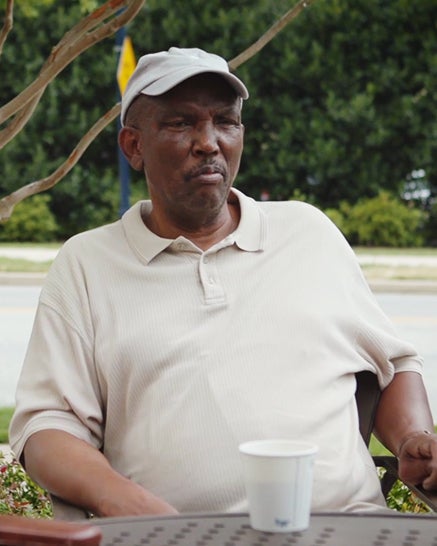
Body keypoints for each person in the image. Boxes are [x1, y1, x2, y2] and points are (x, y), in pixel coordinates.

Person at [9, 47, 437, 520]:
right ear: (133, 146)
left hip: (347, 526)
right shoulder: (88, 264)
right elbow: (47, 425)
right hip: (175, 536)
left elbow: (392, 364)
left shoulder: (307, 233)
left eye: (225, 121)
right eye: (180, 124)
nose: (208, 142)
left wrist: (414, 438)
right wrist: (127, 503)